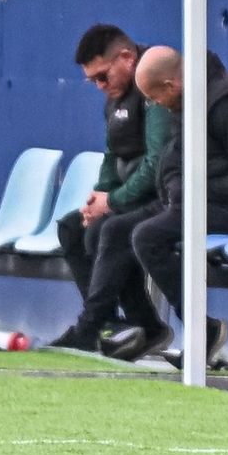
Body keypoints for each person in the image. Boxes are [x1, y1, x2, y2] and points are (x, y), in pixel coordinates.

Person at [110, 47, 228, 365]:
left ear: (170, 85)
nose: (156, 105)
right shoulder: (187, 102)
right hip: (196, 203)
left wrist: (196, 191)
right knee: (116, 229)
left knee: (148, 236)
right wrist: (177, 189)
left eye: (154, 98)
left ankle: (202, 330)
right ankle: (141, 327)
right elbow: (175, 160)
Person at [50, 26, 173, 355]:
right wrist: (99, 197)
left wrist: (114, 201)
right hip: (132, 198)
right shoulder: (114, 97)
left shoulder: (153, 84)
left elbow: (157, 161)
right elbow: (112, 154)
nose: (100, 86)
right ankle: (130, 325)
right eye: (92, 81)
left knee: (108, 231)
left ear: (127, 58)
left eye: (102, 77)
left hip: (163, 199)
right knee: (73, 227)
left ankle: (91, 326)